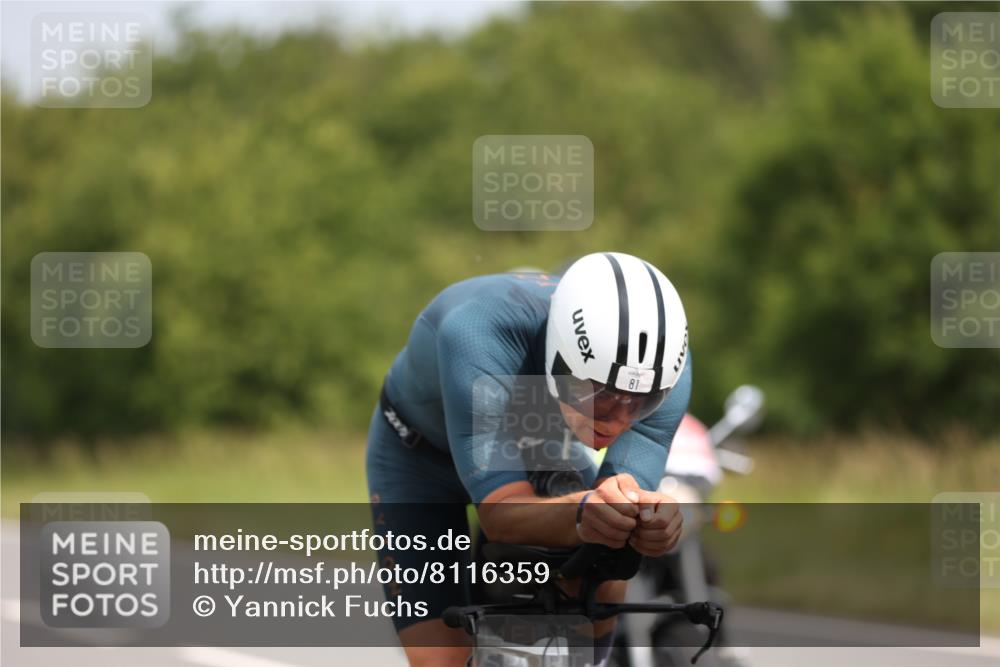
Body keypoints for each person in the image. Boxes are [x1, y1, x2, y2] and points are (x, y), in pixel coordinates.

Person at [366, 251, 692, 667]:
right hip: (419, 459)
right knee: (440, 659)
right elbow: (501, 514)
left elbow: (623, 508)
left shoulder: (666, 370)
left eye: (641, 404)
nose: (617, 421)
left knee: (612, 544)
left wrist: (650, 520)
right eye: (600, 396)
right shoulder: (479, 330)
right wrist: (582, 513)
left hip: (537, 443)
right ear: (558, 357)